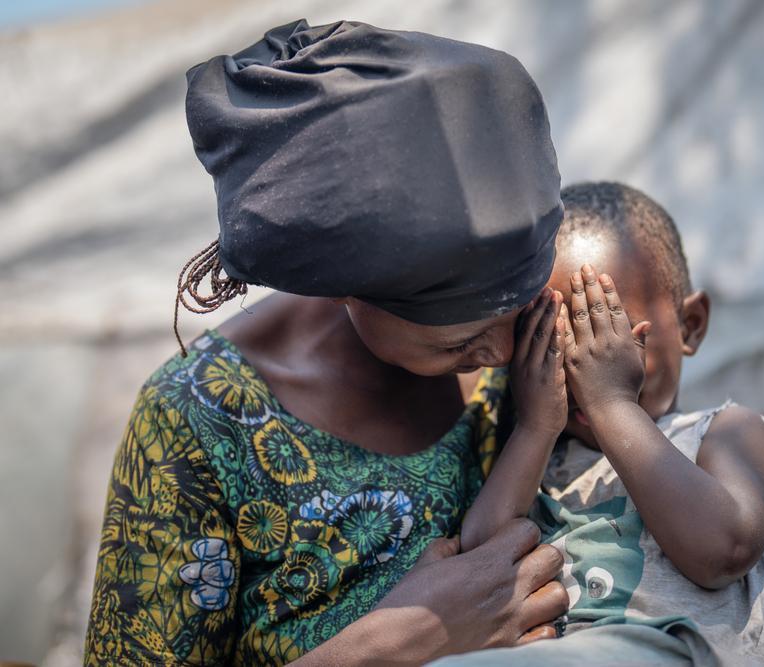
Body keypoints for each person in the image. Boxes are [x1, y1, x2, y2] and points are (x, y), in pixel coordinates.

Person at [84, 20, 570, 666]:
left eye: (518, 307)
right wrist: (398, 639)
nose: (505, 354)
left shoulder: (528, 362)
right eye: (462, 340)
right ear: (347, 288)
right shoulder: (200, 420)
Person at [437, 182, 764, 666]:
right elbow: (481, 565)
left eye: (605, 337)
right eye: (556, 347)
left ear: (690, 326)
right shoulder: (540, 454)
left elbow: (724, 551)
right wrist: (535, 428)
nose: (584, 371)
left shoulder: (725, 432)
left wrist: (612, 402)